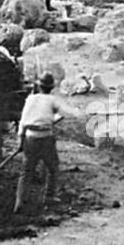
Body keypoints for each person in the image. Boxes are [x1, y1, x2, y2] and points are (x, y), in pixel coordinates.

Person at [14, 73, 78, 215]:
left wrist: (20, 141)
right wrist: (53, 119)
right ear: (52, 88)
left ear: (39, 86)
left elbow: (23, 121)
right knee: (53, 167)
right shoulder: (52, 100)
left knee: (26, 171)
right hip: (45, 138)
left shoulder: (30, 99)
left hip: (30, 137)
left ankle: (19, 201)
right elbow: (67, 113)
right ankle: (49, 197)